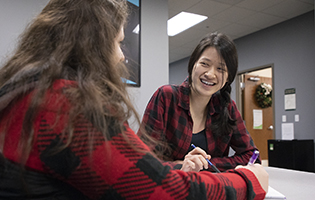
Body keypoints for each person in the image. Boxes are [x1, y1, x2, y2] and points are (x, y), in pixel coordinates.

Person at [0, 0, 268, 199]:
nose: (121, 57)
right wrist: (247, 181)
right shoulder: (64, 106)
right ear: (90, 45)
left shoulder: (32, 92)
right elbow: (160, 189)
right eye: (118, 43)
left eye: (221, 69)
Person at [138, 32, 260, 173]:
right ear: (193, 65)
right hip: (169, 187)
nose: (210, 73)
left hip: (209, 190)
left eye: (220, 69)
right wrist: (181, 166)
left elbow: (251, 156)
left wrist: (205, 163)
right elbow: (142, 158)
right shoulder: (166, 97)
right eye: (204, 64)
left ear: (228, 78)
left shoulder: (227, 107)